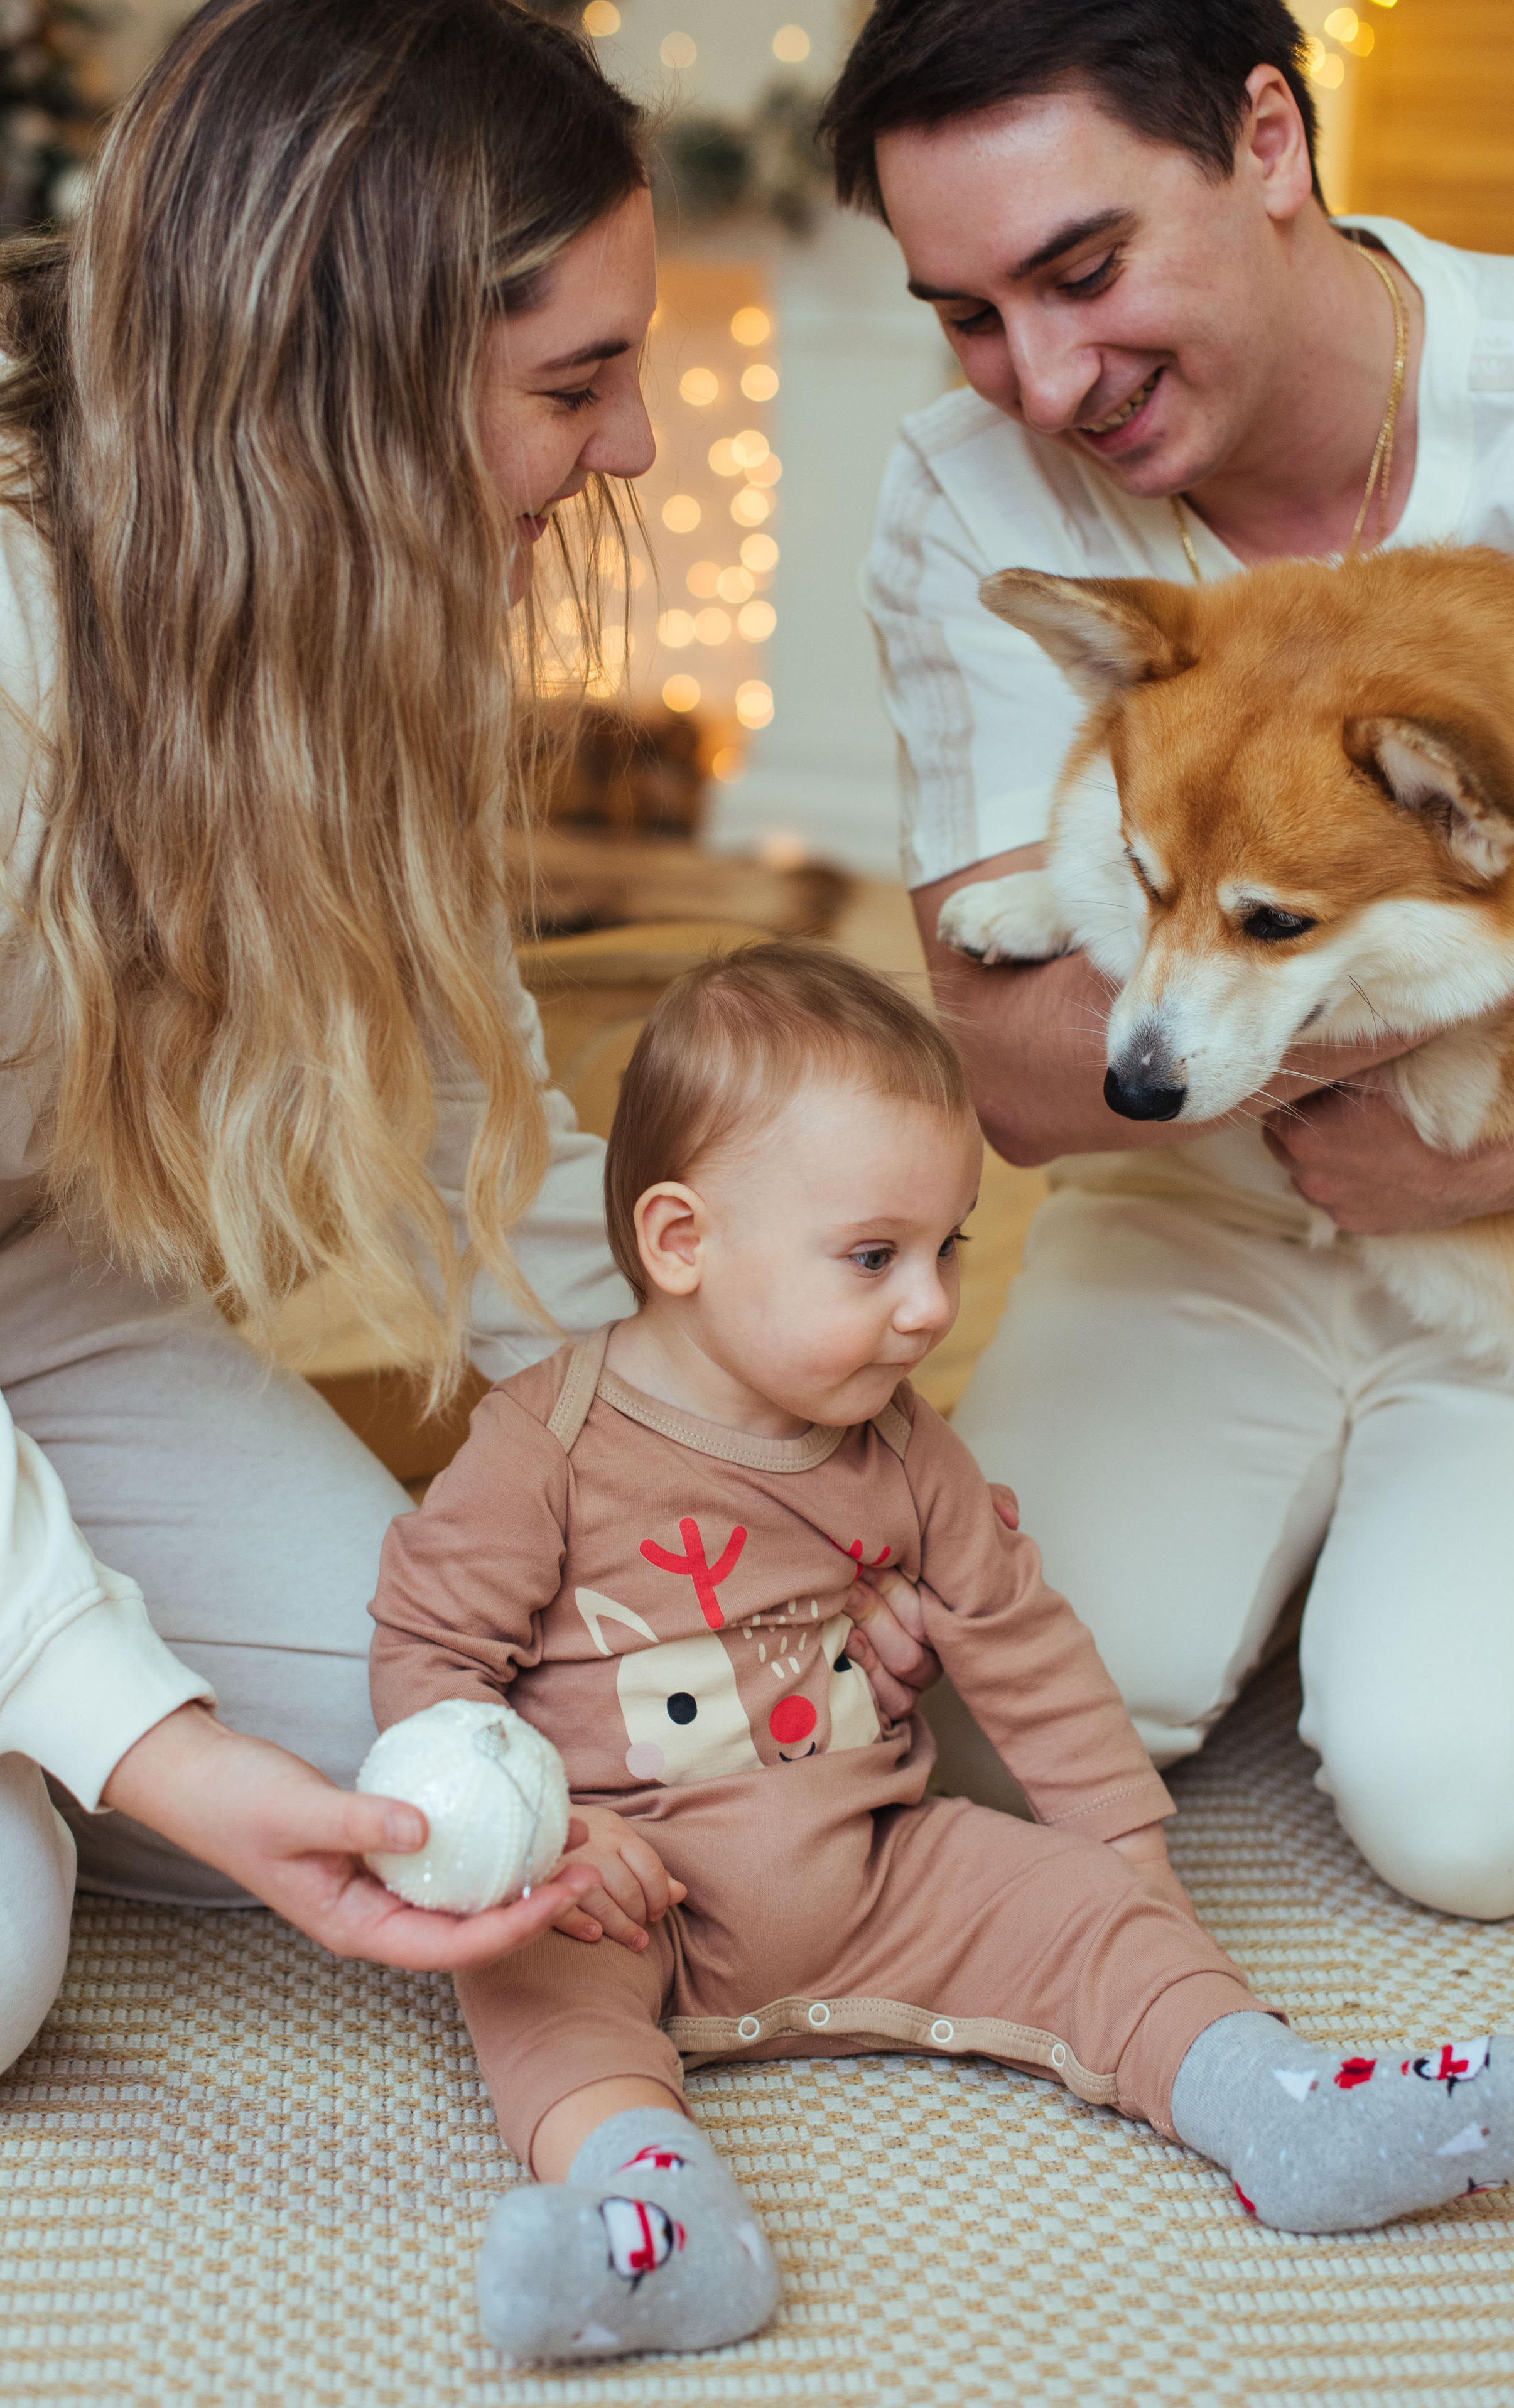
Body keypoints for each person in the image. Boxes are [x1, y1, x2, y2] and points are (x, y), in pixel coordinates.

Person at [367, 942, 1514, 2365]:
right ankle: (663, 2217)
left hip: (878, 1862)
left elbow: (1022, 1641)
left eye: (949, 1248)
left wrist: (1126, 1864)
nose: (931, 1305)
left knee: (1082, 1910)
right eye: (875, 1258)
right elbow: (429, 1664)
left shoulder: (903, 1443)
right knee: (524, 1987)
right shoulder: (543, 1445)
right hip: (633, 1897)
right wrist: (544, 1843)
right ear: (682, 1243)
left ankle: (1281, 2109)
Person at [818, 0, 1514, 1921]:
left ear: (1268, 140)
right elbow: (1025, 1076)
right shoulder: (968, 492)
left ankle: (1410, 1584)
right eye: (968, 313)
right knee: (973, 1734)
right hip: (1188, 1209)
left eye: (1084, 270)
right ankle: (1294, 1550)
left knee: (1468, 1811)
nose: (1043, 380)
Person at [0, 0, 669, 2073]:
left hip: (36, 1289)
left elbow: (484, 1121)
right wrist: (142, 1733)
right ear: (350, 381)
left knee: (480, 1748)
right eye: (577, 383)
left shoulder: (365, 602)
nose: (636, 447)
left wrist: (713, 1489)